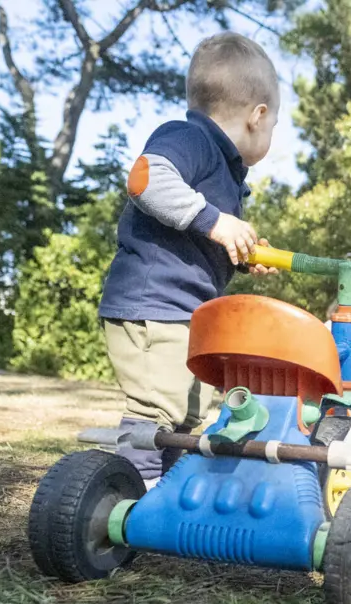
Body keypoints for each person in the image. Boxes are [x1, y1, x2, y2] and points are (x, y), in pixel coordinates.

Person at [97, 33, 280, 487]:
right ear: (258, 116)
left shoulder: (226, 171)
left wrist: (240, 252)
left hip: (183, 313)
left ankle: (172, 497)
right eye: (276, 124)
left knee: (185, 411)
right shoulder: (190, 137)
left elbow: (198, 234)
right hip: (152, 303)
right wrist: (218, 223)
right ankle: (130, 505)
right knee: (156, 411)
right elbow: (145, 179)